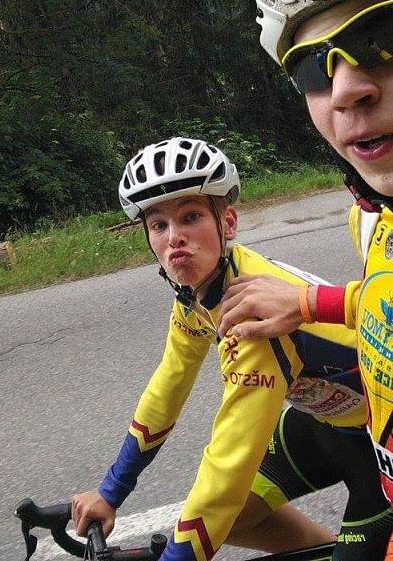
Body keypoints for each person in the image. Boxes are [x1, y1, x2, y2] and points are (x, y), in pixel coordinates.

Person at [71, 137, 392, 560]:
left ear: (229, 223)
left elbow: (230, 459)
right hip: (328, 421)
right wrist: (111, 491)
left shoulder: (251, 314)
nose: (175, 239)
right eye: (158, 225)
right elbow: (166, 390)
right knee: (233, 519)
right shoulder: (198, 295)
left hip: (380, 441)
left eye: (190, 217)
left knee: (218, 507)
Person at [218, 0, 393, 513]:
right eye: (312, 68)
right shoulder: (369, 217)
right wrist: (308, 301)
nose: (346, 88)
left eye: (384, 34)